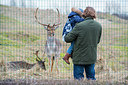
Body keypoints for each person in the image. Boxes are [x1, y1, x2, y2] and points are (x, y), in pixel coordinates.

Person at [64, 6, 102, 80]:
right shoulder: (99, 26)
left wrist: (67, 31)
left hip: (79, 58)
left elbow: (67, 39)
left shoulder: (79, 26)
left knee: (79, 80)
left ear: (84, 14)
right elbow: (97, 41)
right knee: (91, 80)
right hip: (91, 57)